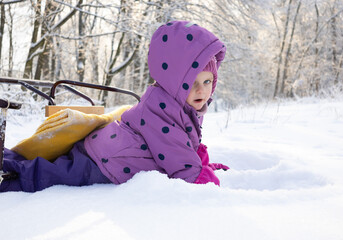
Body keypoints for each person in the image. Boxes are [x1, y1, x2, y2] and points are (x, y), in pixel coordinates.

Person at [0, 20, 228, 193]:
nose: (201, 90)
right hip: (105, 162)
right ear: (173, 82)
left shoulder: (178, 104)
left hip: (109, 152)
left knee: (55, 168)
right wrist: (207, 182)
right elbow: (184, 168)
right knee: (51, 175)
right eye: (191, 84)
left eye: (207, 81)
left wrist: (204, 163)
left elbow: (187, 145)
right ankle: (7, 176)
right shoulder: (162, 112)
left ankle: (9, 162)